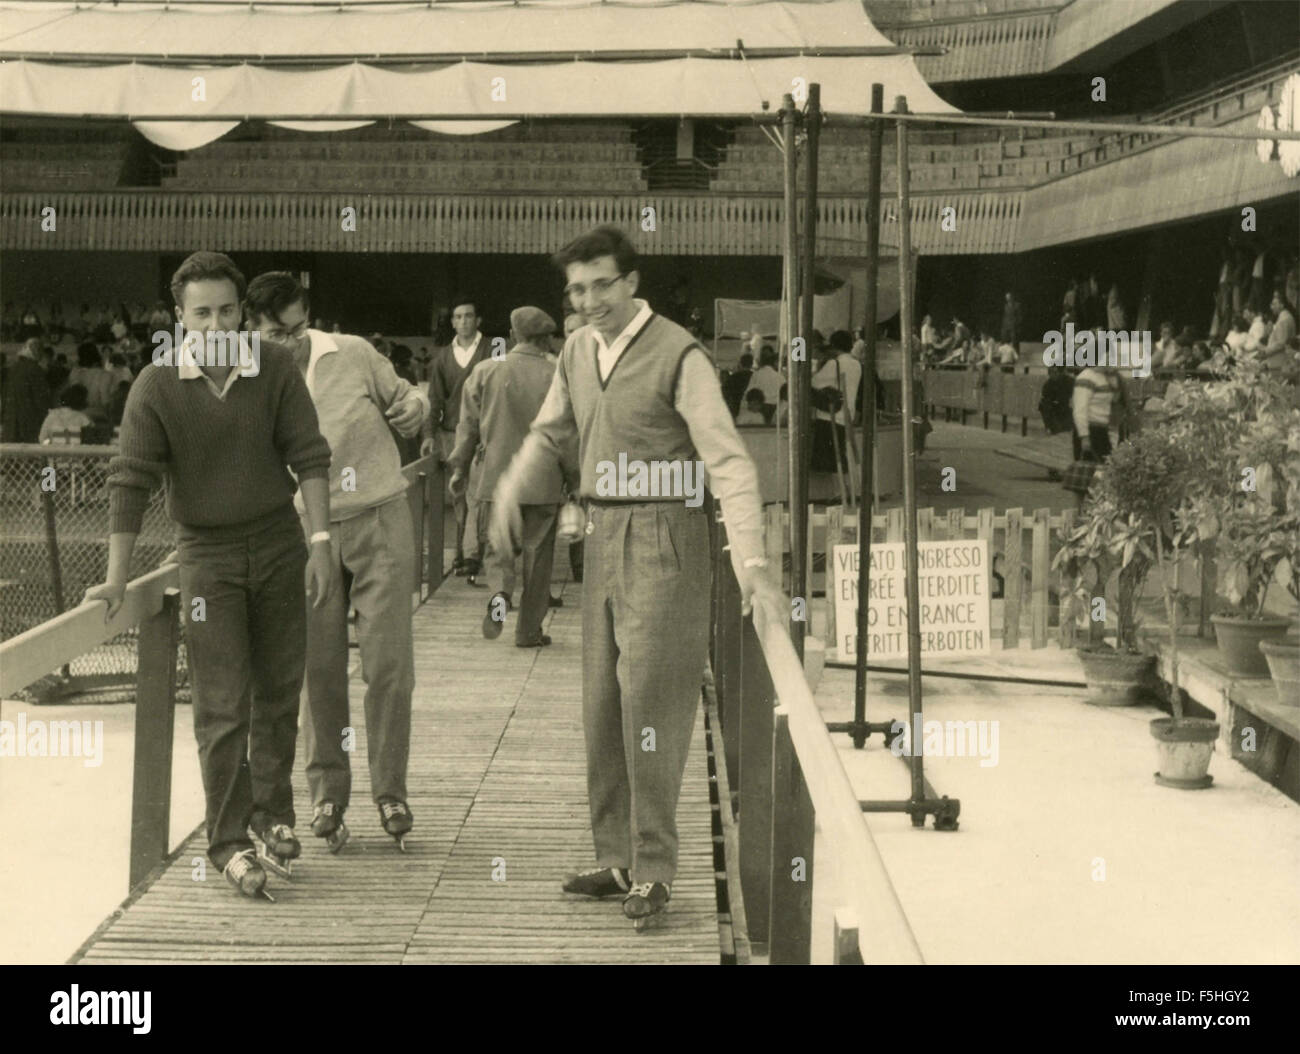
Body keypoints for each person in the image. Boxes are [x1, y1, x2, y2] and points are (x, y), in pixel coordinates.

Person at [489, 226, 782, 927]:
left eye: (601, 286)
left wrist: (756, 568)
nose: (589, 300)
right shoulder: (577, 351)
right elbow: (551, 434)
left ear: (631, 283)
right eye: (577, 289)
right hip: (602, 530)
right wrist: (507, 490)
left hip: (667, 537)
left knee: (652, 705)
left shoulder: (680, 354)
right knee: (601, 706)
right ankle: (616, 855)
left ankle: (655, 869)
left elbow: (730, 463)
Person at [86, 251, 334, 899]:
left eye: (228, 310)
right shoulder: (157, 384)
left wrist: (323, 538)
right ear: (180, 318)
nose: (217, 323)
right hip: (208, 558)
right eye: (202, 313)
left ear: (243, 313)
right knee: (223, 706)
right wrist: (116, 576)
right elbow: (130, 480)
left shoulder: (275, 368)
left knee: (279, 695)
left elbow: (309, 455)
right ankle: (226, 841)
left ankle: (272, 813)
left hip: (280, 545)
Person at [245, 269, 426, 855]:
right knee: (318, 669)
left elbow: (409, 399)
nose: (291, 341)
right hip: (305, 533)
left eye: (299, 327)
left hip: (380, 517)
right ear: (253, 328)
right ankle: (328, 792)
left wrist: (416, 411)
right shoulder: (246, 375)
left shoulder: (353, 353)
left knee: (388, 662)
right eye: (277, 332)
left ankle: (391, 791)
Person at [450, 307, 564, 648]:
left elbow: (467, 428)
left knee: (499, 555)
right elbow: (569, 432)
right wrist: (573, 477)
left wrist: (459, 467)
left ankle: (500, 600)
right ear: (545, 338)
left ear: (513, 335)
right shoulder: (557, 373)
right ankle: (529, 631)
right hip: (543, 481)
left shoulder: (486, 371)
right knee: (538, 559)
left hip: (496, 479)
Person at [422, 298, 492, 581]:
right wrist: (428, 435)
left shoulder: (494, 347)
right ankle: (466, 554)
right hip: (453, 434)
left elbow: (504, 382)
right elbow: (434, 400)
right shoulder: (441, 356)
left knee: (481, 495)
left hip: (486, 433)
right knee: (460, 495)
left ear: (478, 321)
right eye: (458, 317)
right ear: (452, 322)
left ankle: (474, 554)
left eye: (469, 316)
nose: (463, 321)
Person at [3, 338, 52, 443]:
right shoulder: (35, 370)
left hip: (11, 421)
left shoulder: (13, 368)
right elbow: (42, 400)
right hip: (29, 422)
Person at [1261, 289, 1297, 370]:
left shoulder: (1283, 320)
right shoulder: (1286, 317)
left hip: (1279, 362)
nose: (1271, 307)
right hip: (1281, 361)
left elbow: (1281, 343)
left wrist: (1265, 351)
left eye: (1274, 304)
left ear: (1282, 305)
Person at [721, 352, 753, 418]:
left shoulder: (733, 377)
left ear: (740, 363)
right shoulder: (754, 376)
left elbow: (725, 392)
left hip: (735, 405)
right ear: (751, 364)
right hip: (751, 405)